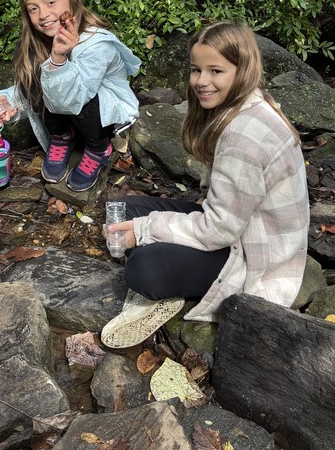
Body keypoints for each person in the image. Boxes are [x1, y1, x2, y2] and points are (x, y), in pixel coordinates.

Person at [101, 21, 309, 349]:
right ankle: (164, 259)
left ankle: (171, 288)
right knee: (124, 210)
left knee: (143, 269)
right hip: (239, 227)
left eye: (216, 71)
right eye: (196, 70)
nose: (201, 81)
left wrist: (144, 230)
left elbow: (219, 231)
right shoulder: (245, 105)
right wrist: (145, 225)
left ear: (242, 71)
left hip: (256, 255)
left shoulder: (243, 137)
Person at [0, 0, 141, 192]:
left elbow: (73, 99)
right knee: (34, 62)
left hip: (98, 115)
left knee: (60, 78)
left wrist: (58, 59)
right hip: (64, 111)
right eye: (34, 8)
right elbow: (32, 86)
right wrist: (10, 101)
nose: (43, 15)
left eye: (51, 2)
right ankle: (61, 137)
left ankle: (99, 149)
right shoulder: (37, 43)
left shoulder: (98, 45)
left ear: (73, 0)